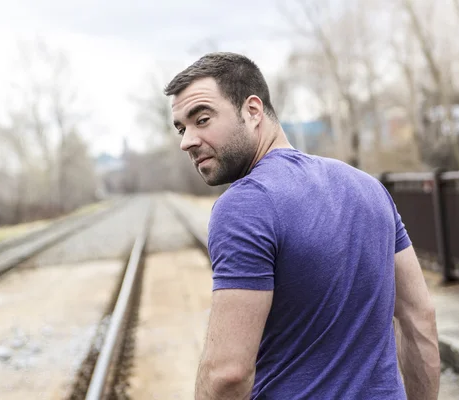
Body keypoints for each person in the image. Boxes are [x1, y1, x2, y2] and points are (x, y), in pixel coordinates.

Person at [165, 52, 440, 400]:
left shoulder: (245, 206)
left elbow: (227, 375)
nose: (186, 140)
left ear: (252, 110)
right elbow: (420, 320)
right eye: (181, 128)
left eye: (201, 119)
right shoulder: (368, 187)